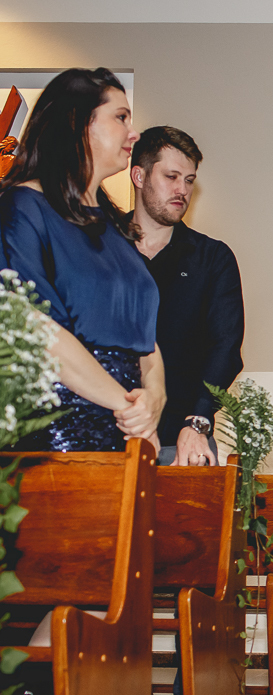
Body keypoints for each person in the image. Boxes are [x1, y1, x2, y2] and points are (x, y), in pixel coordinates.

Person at [0, 68, 164, 453]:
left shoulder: (116, 228)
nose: (133, 133)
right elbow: (36, 327)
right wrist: (127, 407)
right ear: (78, 123)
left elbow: (144, 338)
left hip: (127, 426)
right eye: (120, 117)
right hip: (58, 430)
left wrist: (154, 400)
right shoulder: (23, 208)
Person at [130, 126, 244, 467]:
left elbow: (226, 349)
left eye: (190, 180)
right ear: (139, 176)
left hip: (182, 443)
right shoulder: (101, 249)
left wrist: (198, 421)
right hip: (105, 440)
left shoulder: (213, 258)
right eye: (171, 177)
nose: (182, 190)